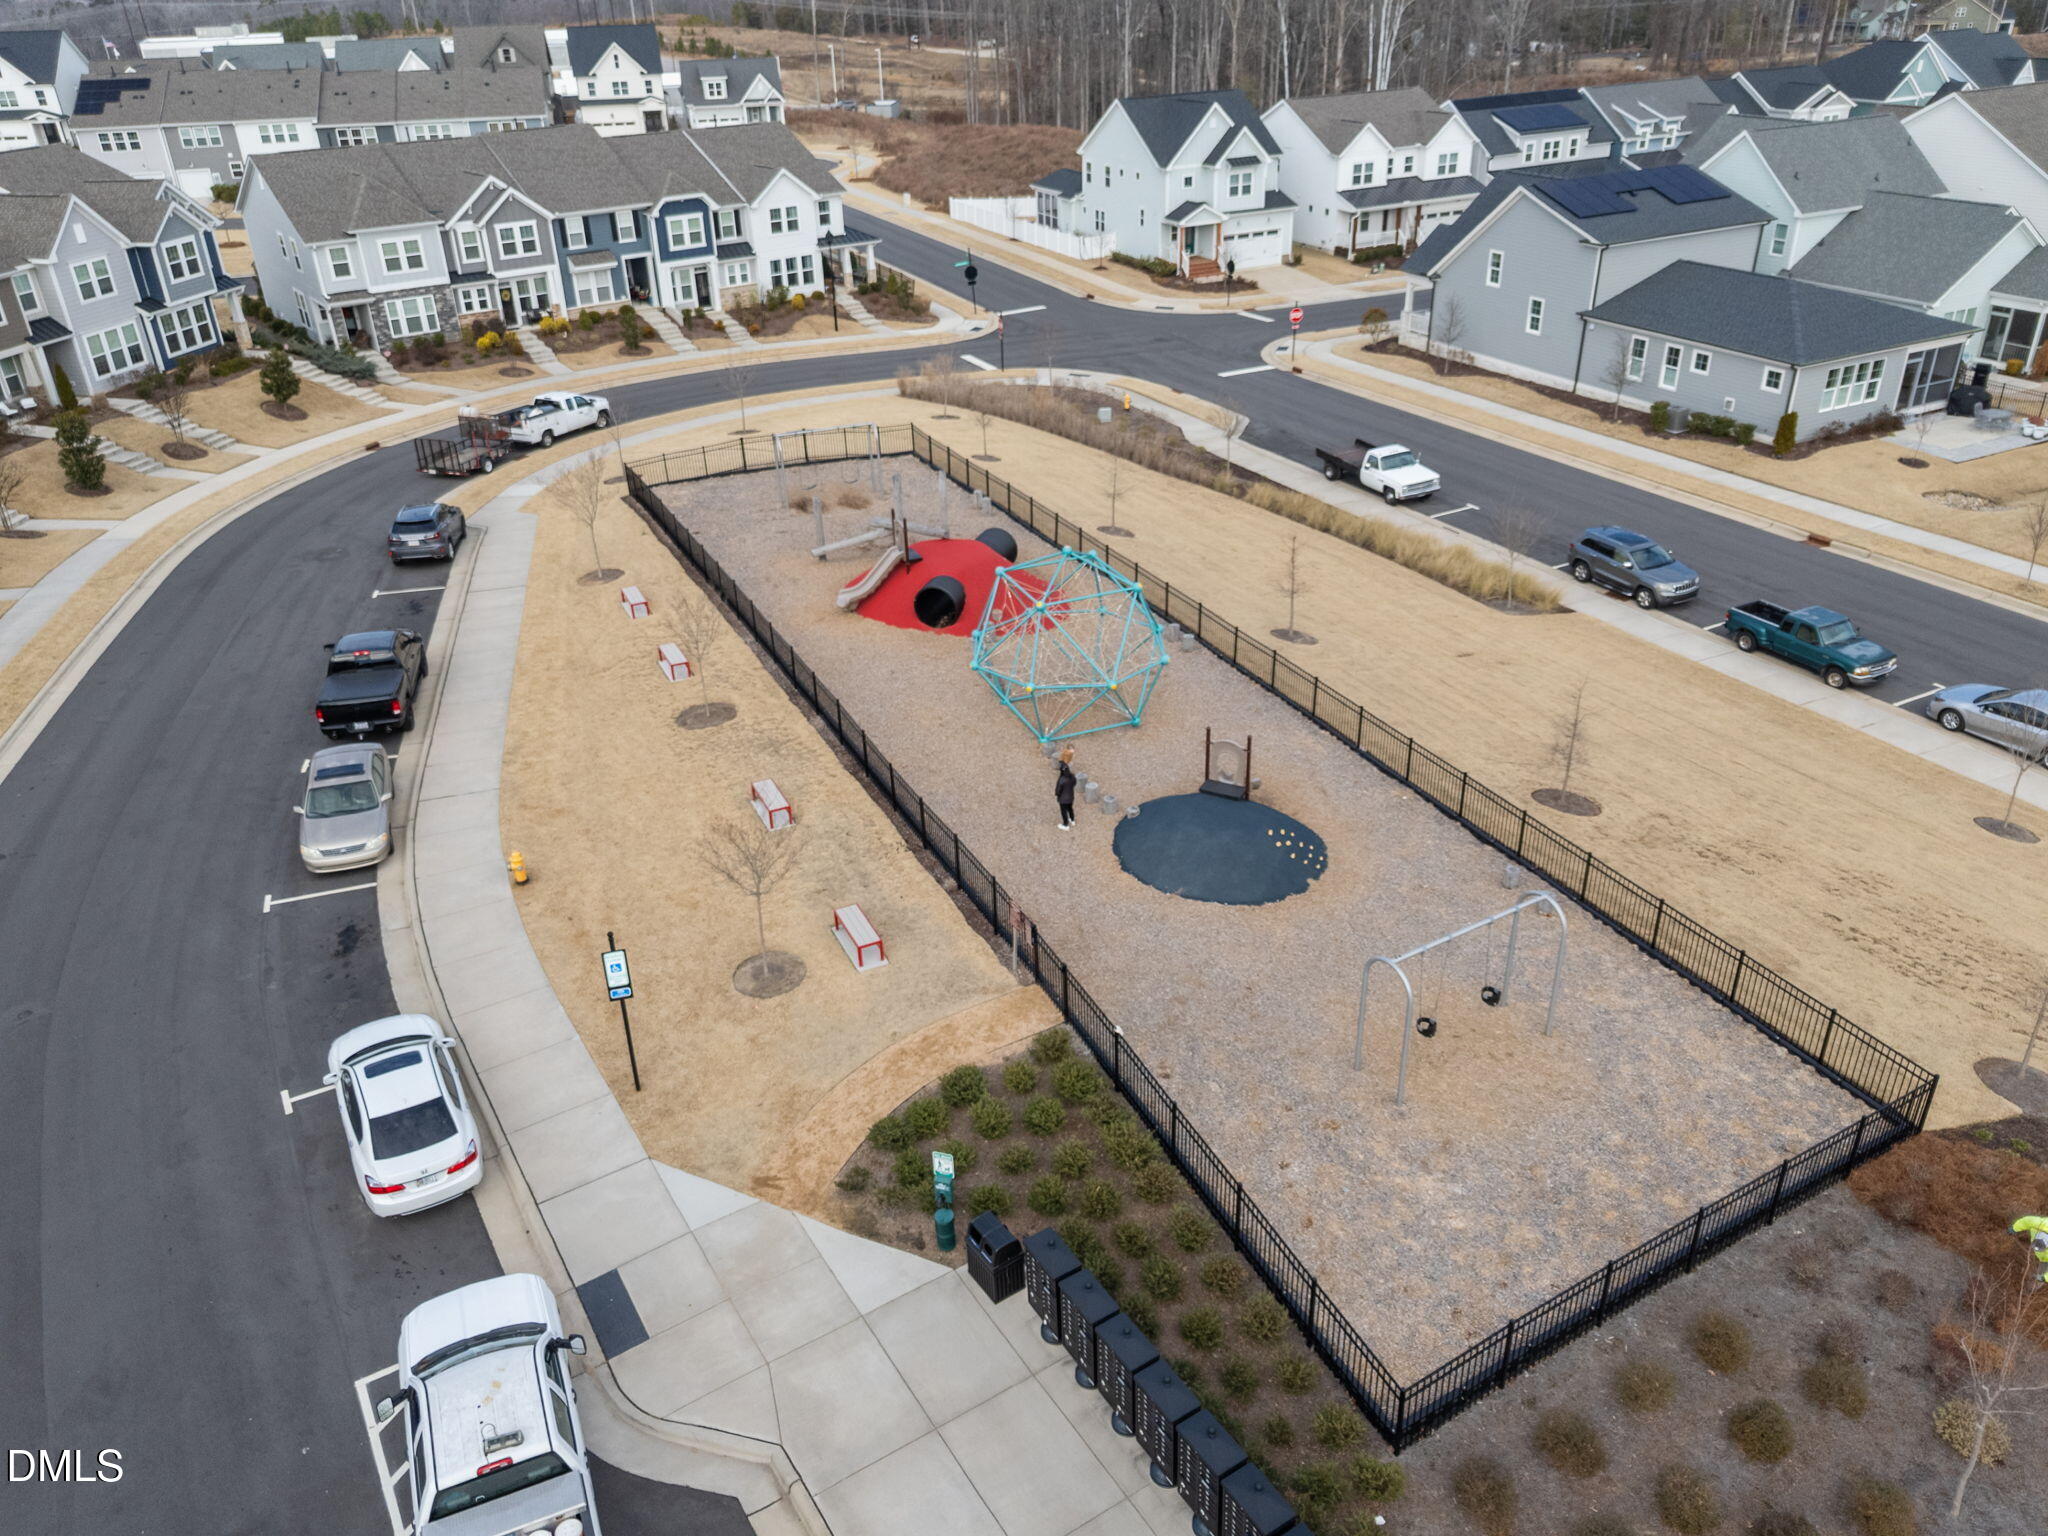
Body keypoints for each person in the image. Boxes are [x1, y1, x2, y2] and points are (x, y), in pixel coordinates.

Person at [2016, 1215, 2048, 1287]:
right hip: (2043, 1256)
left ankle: (2033, 1288)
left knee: (2041, 1275)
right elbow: (2027, 1221)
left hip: (2046, 1259)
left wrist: (2044, 1278)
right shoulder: (2040, 1224)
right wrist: (2014, 1228)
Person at [1055, 749, 1076, 829]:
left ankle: (1065, 824)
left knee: (1063, 811)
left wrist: (1057, 794)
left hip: (1063, 799)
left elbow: (1058, 790)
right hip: (1071, 797)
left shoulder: (1062, 780)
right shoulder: (1072, 777)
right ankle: (1072, 819)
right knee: (1070, 808)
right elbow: (1074, 783)